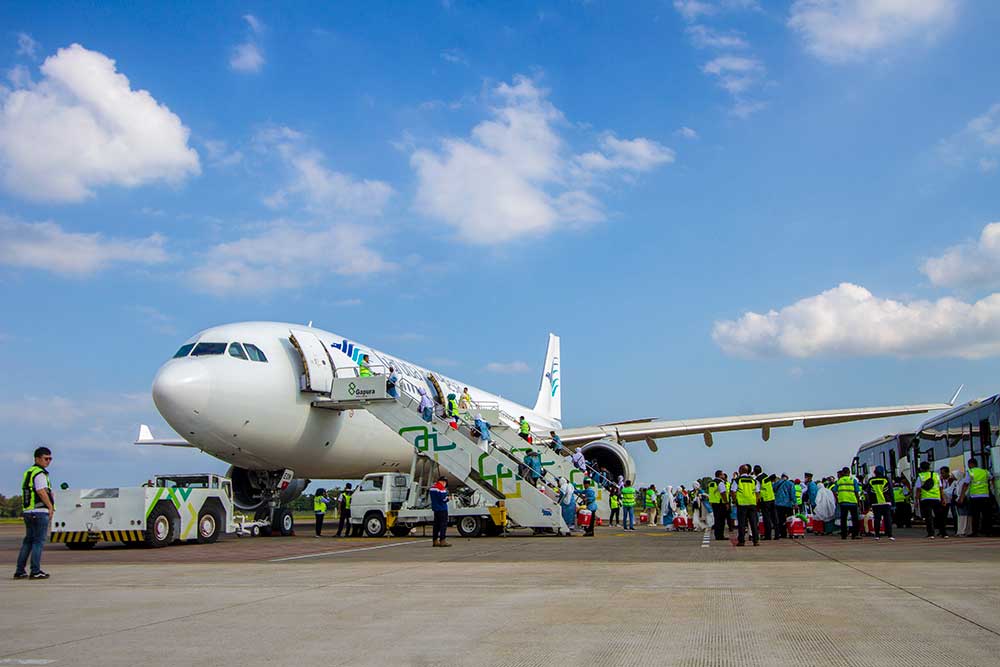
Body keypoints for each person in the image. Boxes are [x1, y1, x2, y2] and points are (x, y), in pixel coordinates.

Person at [15, 446, 54, 580]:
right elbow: (41, 491)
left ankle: (20, 571)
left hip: (28, 511)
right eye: (45, 458)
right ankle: (35, 571)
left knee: (28, 542)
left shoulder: (29, 472)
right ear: (37, 459)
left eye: (50, 459)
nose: (48, 461)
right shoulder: (40, 473)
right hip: (39, 511)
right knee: (38, 542)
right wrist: (50, 507)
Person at [959, 457, 994, 537]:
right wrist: (992, 488)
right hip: (985, 496)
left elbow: (965, 484)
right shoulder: (985, 471)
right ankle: (988, 531)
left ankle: (975, 532)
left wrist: (962, 496)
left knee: (975, 515)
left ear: (971, 464)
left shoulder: (970, 472)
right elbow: (992, 478)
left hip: (975, 497)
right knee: (987, 515)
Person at [916, 461, 946, 539]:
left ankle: (931, 533)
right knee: (940, 516)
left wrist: (916, 500)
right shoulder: (936, 475)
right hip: (936, 498)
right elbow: (940, 488)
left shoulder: (920, 476)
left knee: (928, 517)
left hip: (925, 499)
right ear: (929, 468)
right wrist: (943, 499)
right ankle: (944, 533)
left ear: (921, 469)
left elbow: (918, 489)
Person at [732, 465, 760, 546]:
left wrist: (735, 501)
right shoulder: (754, 481)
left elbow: (733, 492)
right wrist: (756, 501)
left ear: (740, 471)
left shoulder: (737, 481)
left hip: (742, 504)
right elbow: (757, 493)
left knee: (742, 524)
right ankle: (756, 541)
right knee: (753, 523)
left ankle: (741, 541)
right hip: (752, 504)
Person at [866, 466, 894, 541]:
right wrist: (893, 502)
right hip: (886, 502)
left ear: (875, 472)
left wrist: (869, 504)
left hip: (875, 503)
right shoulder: (886, 479)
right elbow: (891, 491)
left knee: (877, 519)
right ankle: (890, 535)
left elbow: (868, 492)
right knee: (887, 519)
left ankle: (877, 535)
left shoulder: (871, 480)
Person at [835, 468, 862, 540]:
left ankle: (844, 535)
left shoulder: (839, 481)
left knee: (843, 519)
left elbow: (834, 490)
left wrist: (838, 498)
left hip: (843, 502)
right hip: (853, 502)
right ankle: (855, 534)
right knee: (855, 519)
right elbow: (856, 491)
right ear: (849, 472)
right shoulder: (853, 480)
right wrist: (858, 501)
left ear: (843, 473)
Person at [755, 466, 777, 541]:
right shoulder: (766, 476)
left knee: (766, 518)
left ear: (755, 472)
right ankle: (777, 534)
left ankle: (768, 535)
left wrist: (757, 502)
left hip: (765, 500)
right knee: (774, 517)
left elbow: (757, 492)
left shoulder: (758, 480)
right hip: (772, 499)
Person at [430, 476, 451, 547]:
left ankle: (435, 540)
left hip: (435, 509)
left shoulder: (432, 488)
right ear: (443, 482)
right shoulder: (441, 488)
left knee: (436, 525)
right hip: (442, 509)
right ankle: (442, 540)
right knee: (443, 525)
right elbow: (443, 499)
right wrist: (448, 498)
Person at [773, 474, 796, 539]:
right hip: (788, 504)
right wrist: (795, 502)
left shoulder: (777, 483)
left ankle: (783, 533)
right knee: (789, 519)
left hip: (778, 504)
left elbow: (773, 490)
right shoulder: (790, 484)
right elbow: (792, 494)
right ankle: (791, 532)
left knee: (780, 520)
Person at [709, 470, 728, 541]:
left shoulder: (711, 483)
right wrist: (726, 502)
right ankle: (720, 535)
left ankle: (717, 535)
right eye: (723, 475)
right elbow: (723, 493)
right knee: (721, 520)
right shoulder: (720, 483)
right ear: (720, 475)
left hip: (714, 503)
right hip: (720, 503)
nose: (724, 476)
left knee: (716, 520)